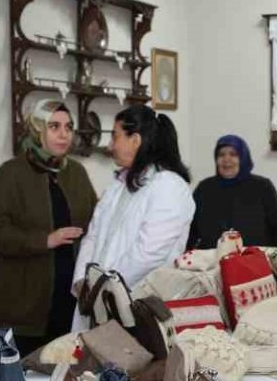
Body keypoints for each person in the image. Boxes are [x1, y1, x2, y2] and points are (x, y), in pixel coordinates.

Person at [0, 101, 97, 354]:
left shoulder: (76, 173)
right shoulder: (10, 173)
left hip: (68, 300)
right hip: (23, 304)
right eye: (54, 127)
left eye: (68, 127)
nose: (64, 134)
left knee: (63, 372)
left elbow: (94, 220)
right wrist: (45, 240)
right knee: (21, 373)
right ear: (37, 129)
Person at [73, 104, 195, 326]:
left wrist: (104, 287)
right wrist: (82, 280)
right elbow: (93, 236)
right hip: (96, 300)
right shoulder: (119, 184)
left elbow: (149, 253)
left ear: (135, 140)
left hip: (135, 302)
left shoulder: (169, 186)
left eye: (115, 136)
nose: (111, 145)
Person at [188, 134, 277, 249]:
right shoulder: (204, 189)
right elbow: (190, 228)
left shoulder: (262, 187)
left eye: (233, 154)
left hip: (255, 257)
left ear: (243, 158)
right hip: (212, 257)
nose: (226, 159)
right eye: (221, 155)